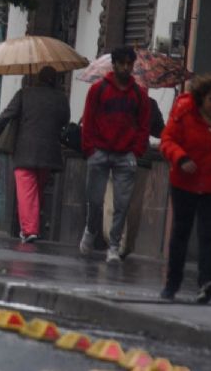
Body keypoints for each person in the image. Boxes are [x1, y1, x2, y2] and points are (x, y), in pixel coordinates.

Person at [159, 75, 211, 303]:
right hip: (185, 182)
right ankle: (171, 284)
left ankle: (206, 283)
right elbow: (167, 141)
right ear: (202, 98)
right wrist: (181, 158)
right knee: (181, 233)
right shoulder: (184, 110)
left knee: (207, 234)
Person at [78, 45, 150, 264]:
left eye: (130, 64)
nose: (126, 67)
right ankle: (91, 230)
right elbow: (88, 120)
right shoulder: (98, 90)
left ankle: (114, 246)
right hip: (100, 151)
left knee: (122, 204)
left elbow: (144, 125)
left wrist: (136, 151)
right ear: (115, 64)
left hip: (125, 155)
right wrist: (90, 149)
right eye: (122, 63)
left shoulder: (139, 94)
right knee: (95, 200)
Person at [0, 66, 70, 243]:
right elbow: (65, 120)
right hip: (49, 153)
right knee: (36, 191)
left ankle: (29, 229)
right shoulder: (61, 98)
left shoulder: (24, 94)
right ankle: (30, 225)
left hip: (25, 150)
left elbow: (5, 116)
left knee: (27, 191)